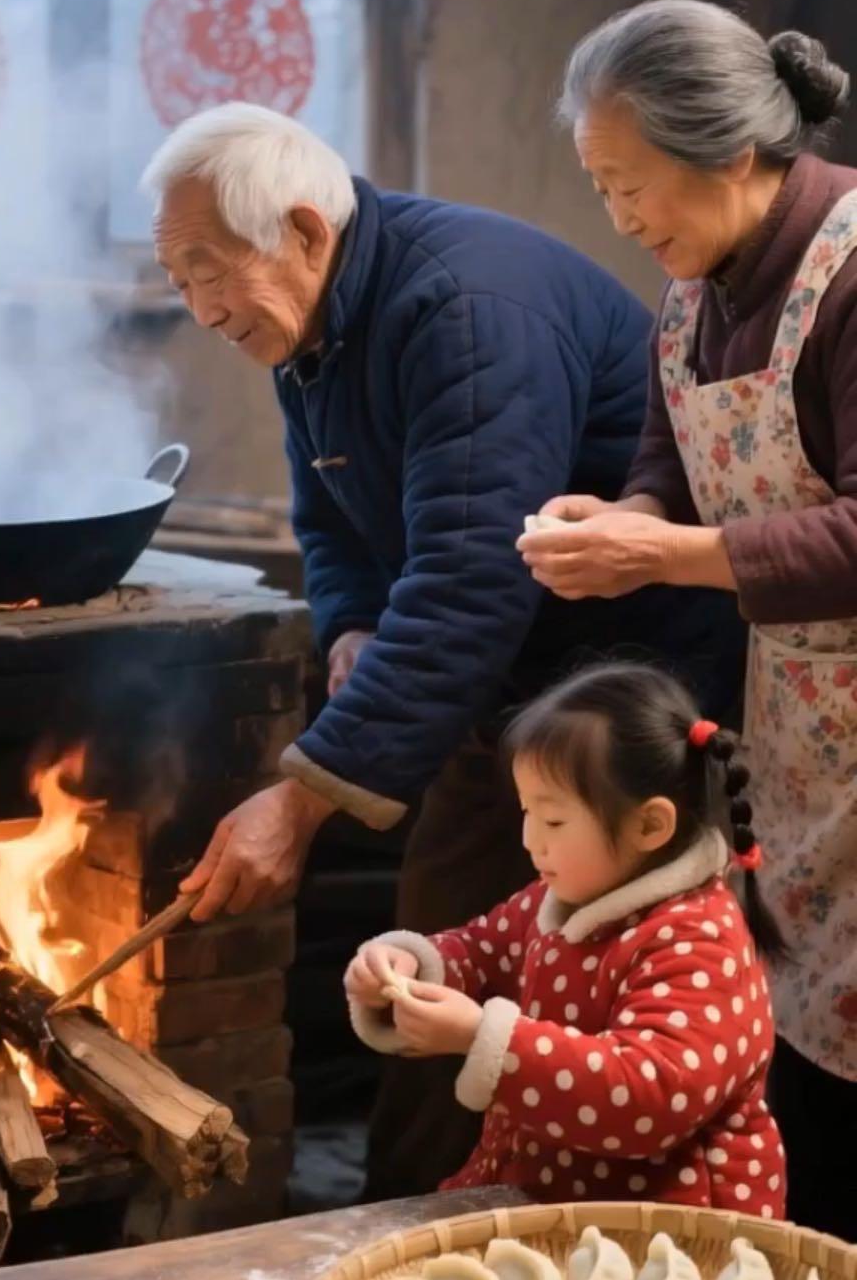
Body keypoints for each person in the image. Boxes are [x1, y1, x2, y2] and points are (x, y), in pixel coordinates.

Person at [141, 102, 743, 1196]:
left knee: (612, 977)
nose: (197, 308)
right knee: (432, 960)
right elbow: (327, 522)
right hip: (509, 696)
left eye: (205, 269)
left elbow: (473, 575)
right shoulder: (310, 332)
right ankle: (411, 1224)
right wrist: (354, 627)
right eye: (177, 281)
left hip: (626, 711)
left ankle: (548, 1231)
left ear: (306, 230)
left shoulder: (463, 308)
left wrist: (305, 797)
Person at [521, 0, 857, 1240]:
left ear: (726, 153)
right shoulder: (694, 287)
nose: (618, 218)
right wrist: (614, 527)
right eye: (601, 188)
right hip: (804, 727)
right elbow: (670, 468)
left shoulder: (850, 267)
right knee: (808, 1039)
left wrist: (663, 550)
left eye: (630, 184)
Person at [345, 663, 785, 1213]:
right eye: (527, 812)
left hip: (668, 1233)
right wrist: (408, 966)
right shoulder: (565, 896)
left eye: (552, 821)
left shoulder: (699, 940)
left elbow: (650, 1093)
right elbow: (483, 948)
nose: (531, 839)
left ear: (649, 826)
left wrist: (484, 1038)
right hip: (551, 1194)